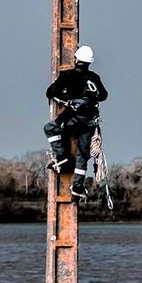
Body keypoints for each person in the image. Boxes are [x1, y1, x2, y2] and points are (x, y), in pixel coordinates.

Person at [44, 44, 108, 200]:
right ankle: (77, 186)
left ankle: (61, 158)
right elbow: (103, 95)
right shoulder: (94, 77)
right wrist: (90, 99)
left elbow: (51, 92)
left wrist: (67, 98)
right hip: (89, 121)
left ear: (76, 59)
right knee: (82, 154)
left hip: (72, 117)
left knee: (50, 128)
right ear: (90, 62)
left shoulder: (68, 75)